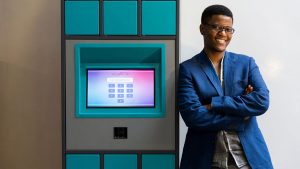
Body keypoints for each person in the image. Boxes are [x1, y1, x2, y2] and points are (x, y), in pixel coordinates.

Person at [178, 4, 273, 169]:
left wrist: (214, 104)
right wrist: (239, 115)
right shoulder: (188, 69)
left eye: (228, 29)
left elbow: (262, 101)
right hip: (206, 159)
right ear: (203, 29)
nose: (223, 34)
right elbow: (193, 116)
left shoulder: (246, 63)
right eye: (216, 27)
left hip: (248, 159)